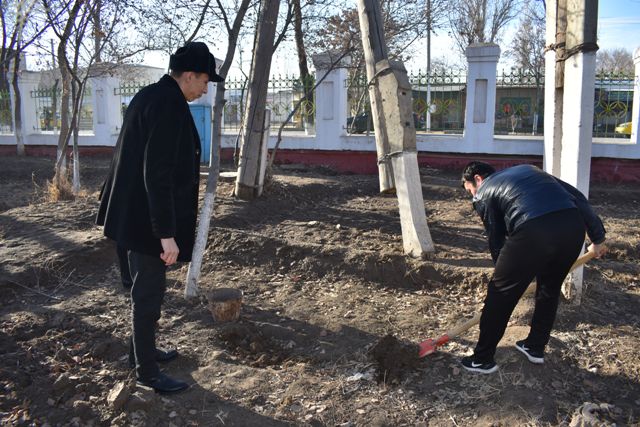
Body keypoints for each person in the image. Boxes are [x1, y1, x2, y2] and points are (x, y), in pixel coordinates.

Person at [96, 41, 223, 393]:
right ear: (189, 75)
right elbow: (157, 173)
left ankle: (142, 353)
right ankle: (147, 373)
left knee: (140, 292)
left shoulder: (149, 95)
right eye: (205, 80)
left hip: (127, 213)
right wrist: (165, 234)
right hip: (145, 221)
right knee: (148, 296)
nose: (206, 87)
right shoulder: (169, 105)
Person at [459, 161, 607, 374]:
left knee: (500, 294)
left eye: (470, 191)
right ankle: (535, 347)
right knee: (549, 288)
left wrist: (506, 276)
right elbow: (578, 199)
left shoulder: (485, 192)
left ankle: (482, 359)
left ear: (478, 179)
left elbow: (496, 237)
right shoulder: (530, 170)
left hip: (533, 228)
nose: (472, 196)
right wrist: (598, 237)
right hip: (572, 227)